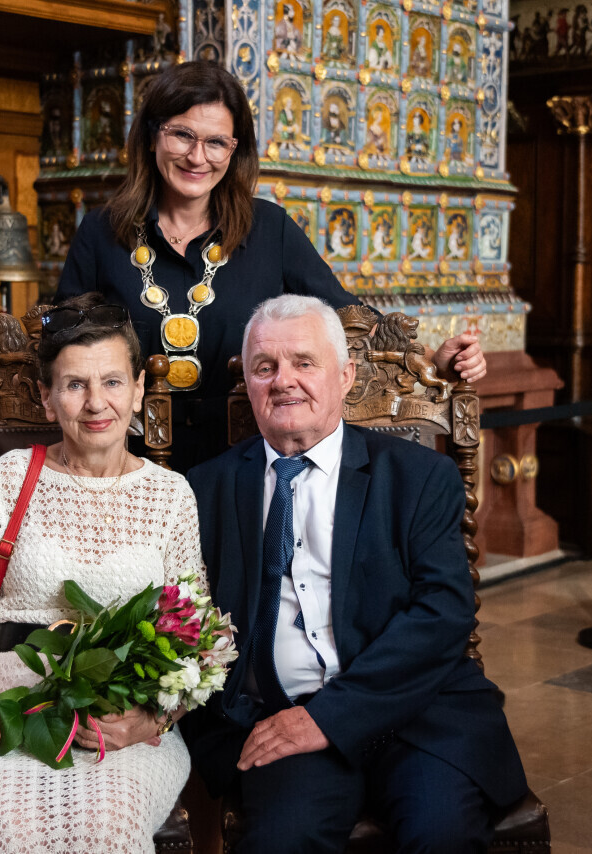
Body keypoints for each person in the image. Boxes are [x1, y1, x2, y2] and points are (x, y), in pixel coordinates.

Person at [0, 61, 484, 470]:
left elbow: (349, 323)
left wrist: (432, 360)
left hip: (248, 460)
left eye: (216, 143)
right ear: (151, 137)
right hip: (129, 461)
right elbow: (59, 341)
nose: (197, 156)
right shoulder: (102, 231)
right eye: (182, 134)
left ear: (235, 151)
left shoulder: (270, 229)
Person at [181, 295, 528, 853]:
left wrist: (330, 716)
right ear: (247, 383)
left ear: (345, 377)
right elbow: (187, 619)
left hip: (417, 713)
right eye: (265, 367)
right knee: (280, 844)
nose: (284, 381)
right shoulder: (204, 488)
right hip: (280, 719)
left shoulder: (419, 476)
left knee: (440, 834)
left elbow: (443, 614)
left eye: (304, 362)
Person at [0, 293, 206, 854]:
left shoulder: (172, 496)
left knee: (109, 827)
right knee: (11, 826)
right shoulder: (10, 477)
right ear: (47, 399)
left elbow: (195, 641)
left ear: (139, 390)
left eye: (113, 381)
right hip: (8, 697)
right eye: (75, 385)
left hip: (122, 713)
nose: (96, 403)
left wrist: (151, 721)